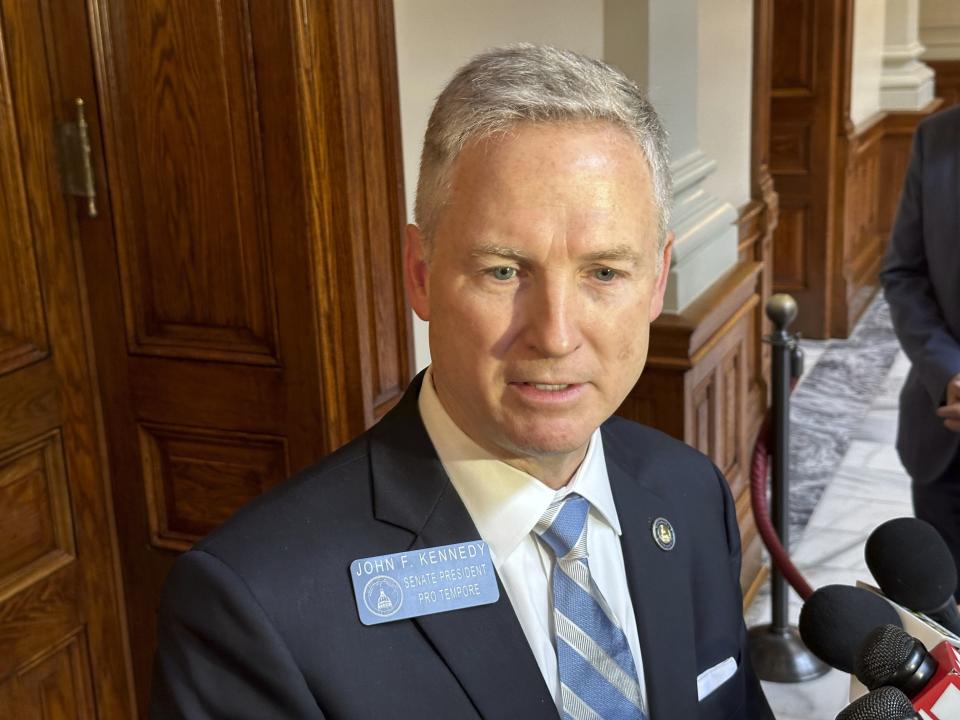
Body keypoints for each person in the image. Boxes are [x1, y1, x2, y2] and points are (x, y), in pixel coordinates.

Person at [150, 45, 773, 719]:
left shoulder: (689, 492)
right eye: (504, 271)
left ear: (656, 280)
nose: (556, 334)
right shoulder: (256, 601)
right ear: (420, 274)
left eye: (604, 273)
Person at [881, 104, 960, 602]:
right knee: (939, 614)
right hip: (944, 436)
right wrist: (948, 373)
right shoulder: (938, 137)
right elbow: (903, 274)